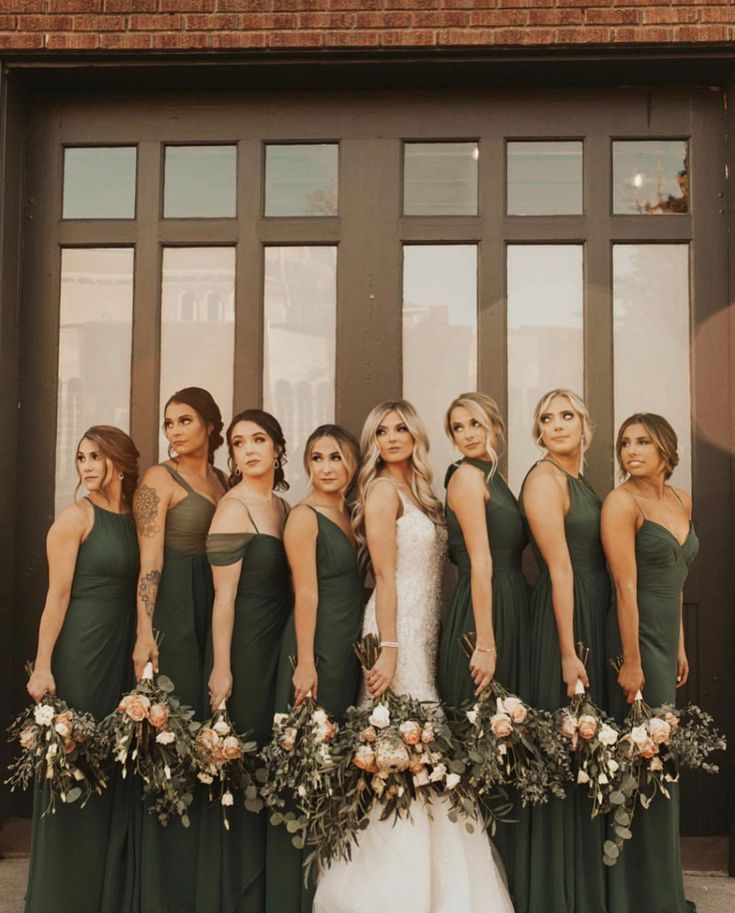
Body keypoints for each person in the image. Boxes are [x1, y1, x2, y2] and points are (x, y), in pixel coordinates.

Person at [313, 400, 514, 913]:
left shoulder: (423, 493)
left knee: (421, 758)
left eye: (401, 427)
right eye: (381, 430)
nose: (393, 436)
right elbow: (383, 576)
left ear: (416, 434)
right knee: (398, 755)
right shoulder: (380, 491)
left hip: (425, 633)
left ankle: (436, 891)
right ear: (373, 441)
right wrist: (389, 649)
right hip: (393, 634)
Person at [25, 426, 139, 913]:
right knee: (73, 764)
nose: (88, 467)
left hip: (123, 652)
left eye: (97, 457)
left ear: (121, 462)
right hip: (82, 650)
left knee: (116, 768)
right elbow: (56, 597)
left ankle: (105, 894)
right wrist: (43, 666)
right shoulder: (74, 519)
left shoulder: (138, 517)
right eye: (81, 458)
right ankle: (61, 896)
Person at [132, 386, 227, 913]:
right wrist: (146, 630)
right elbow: (149, 559)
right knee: (170, 731)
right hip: (171, 609)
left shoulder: (222, 480)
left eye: (185, 420)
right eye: (169, 422)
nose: (174, 430)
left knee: (207, 735)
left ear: (210, 425)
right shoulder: (156, 480)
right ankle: (164, 886)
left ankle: (201, 874)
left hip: (212, 607)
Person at [437, 392, 531, 913]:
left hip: (509, 607)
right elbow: (480, 563)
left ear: (495, 425)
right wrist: (487, 641)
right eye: (457, 427)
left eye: (475, 423)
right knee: (479, 742)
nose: (468, 433)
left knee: (505, 744)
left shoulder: (495, 476)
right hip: (483, 616)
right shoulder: (467, 477)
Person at [266, 424, 364, 913]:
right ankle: (295, 894)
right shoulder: (303, 518)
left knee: (340, 763)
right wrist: (305, 661)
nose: (326, 467)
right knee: (311, 759)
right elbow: (304, 592)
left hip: (350, 647)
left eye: (336, 458)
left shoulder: (350, 513)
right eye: (317, 458)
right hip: (318, 645)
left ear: (351, 464)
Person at [197, 409, 292, 913]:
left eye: (259, 439)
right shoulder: (233, 509)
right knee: (246, 760)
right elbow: (224, 599)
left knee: (274, 758)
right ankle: (237, 894)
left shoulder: (281, 504)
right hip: (247, 650)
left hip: (281, 643)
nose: (249, 449)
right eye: (238, 443)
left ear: (279, 447)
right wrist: (222, 667)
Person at [519, 389, 610, 913]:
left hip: (591, 613)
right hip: (563, 621)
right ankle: (558, 892)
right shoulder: (543, 480)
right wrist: (568, 649)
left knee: (584, 745)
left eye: (567, 415)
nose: (557, 424)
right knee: (564, 742)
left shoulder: (580, 480)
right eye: (547, 418)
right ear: (538, 431)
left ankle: (585, 881)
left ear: (585, 424)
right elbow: (559, 568)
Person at [602, 414, 698, 913]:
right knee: (640, 760)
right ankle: (636, 897)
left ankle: (662, 889)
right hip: (635, 640)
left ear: (665, 448)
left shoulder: (682, 500)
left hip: (666, 640)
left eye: (642, 441)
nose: (631, 450)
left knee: (662, 761)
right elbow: (625, 586)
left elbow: (676, 581)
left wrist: (678, 643)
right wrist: (633, 660)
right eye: (624, 443)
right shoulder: (622, 502)